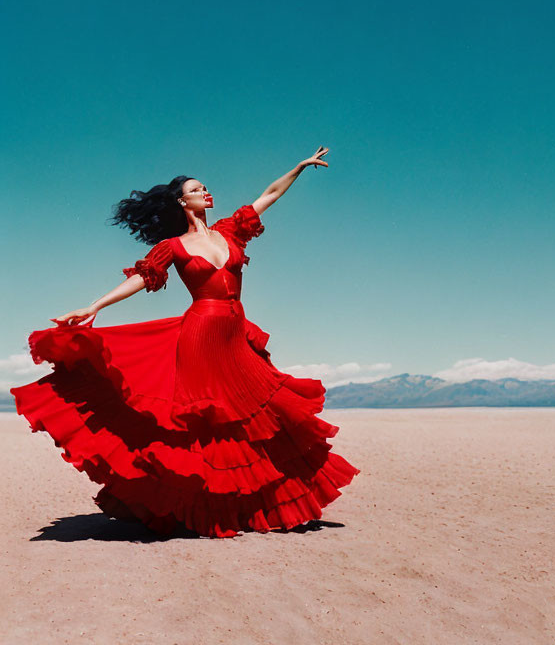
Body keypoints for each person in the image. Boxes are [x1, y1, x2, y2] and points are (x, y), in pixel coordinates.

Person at [9, 147, 360, 538]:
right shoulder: (173, 247)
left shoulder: (230, 230)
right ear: (183, 201)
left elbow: (269, 196)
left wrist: (298, 168)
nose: (207, 192)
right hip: (200, 333)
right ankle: (201, 509)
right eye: (198, 189)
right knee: (205, 421)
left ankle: (271, 499)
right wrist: (94, 305)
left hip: (235, 332)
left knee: (266, 413)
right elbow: (140, 279)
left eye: (206, 187)